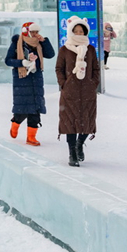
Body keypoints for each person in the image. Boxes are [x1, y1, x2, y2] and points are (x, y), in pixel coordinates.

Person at [55, 16, 100, 167]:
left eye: (82, 31)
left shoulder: (91, 49)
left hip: (87, 92)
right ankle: (72, 153)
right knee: (70, 123)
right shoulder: (65, 49)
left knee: (87, 121)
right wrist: (64, 84)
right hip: (70, 92)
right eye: (76, 31)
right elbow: (59, 69)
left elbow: (95, 68)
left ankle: (80, 143)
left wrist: (93, 83)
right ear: (71, 32)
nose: (79, 34)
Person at [5, 22, 55, 146]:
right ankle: (15, 124)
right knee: (22, 110)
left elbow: (50, 54)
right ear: (26, 31)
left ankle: (31, 137)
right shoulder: (17, 43)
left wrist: (44, 41)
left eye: (37, 32)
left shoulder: (39, 43)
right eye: (32, 32)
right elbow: (8, 60)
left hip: (36, 78)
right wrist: (22, 62)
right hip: (22, 79)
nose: (35, 34)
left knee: (36, 108)